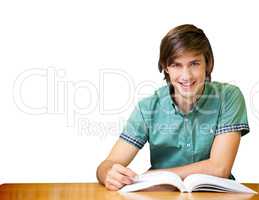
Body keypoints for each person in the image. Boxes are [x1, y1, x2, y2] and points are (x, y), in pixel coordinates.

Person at [96, 24, 250, 191]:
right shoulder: (148, 108)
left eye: (194, 63)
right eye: (177, 65)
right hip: (162, 195)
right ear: (166, 67)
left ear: (208, 63)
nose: (186, 75)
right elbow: (107, 165)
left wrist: (154, 175)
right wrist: (108, 174)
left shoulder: (228, 97)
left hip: (216, 196)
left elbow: (219, 168)